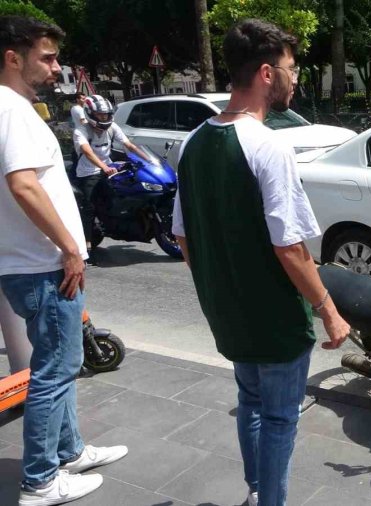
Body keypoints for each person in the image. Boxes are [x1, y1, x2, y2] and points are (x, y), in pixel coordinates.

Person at [171, 19, 351, 506]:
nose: (296, 79)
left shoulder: (191, 144)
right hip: (274, 319)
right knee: (279, 418)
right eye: (291, 69)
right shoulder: (267, 145)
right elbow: (289, 247)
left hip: (227, 314)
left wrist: (218, 284)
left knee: (250, 402)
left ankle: (256, 491)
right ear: (268, 74)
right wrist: (328, 309)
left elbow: (182, 235)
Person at [0, 15, 128, 506]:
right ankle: (40, 481)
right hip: (45, 267)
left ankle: (69, 451)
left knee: (58, 363)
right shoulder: (13, 110)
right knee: (55, 372)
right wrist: (70, 249)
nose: (57, 69)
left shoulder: (12, 108)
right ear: (13, 58)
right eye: (47, 58)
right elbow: (24, 184)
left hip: (31, 264)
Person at [72, 94, 149, 262]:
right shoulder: (81, 131)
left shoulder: (112, 127)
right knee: (89, 208)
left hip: (109, 168)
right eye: (100, 115)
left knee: (123, 193)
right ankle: (86, 245)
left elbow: (128, 145)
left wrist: (148, 159)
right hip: (88, 172)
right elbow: (87, 151)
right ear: (90, 114)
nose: (104, 118)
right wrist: (104, 167)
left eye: (106, 115)